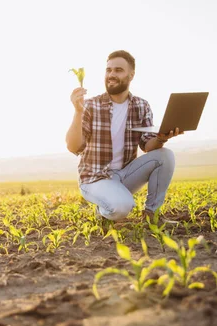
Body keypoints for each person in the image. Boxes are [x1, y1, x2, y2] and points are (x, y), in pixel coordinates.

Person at [66, 50, 183, 223]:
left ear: (131, 75)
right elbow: (73, 146)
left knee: (165, 155)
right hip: (94, 178)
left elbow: (147, 146)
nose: (111, 75)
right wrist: (78, 112)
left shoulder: (141, 105)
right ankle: (103, 209)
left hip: (124, 176)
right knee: (121, 208)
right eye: (109, 70)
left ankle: (153, 215)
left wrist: (161, 138)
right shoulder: (90, 105)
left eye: (118, 70)